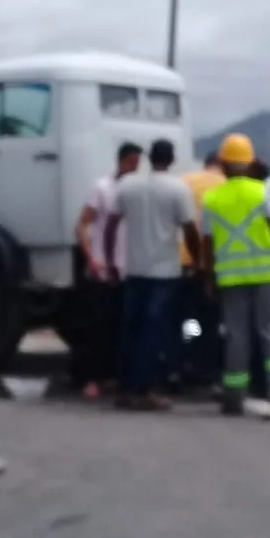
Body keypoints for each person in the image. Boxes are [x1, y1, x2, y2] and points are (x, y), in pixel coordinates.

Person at [202, 133, 270, 418]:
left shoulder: (212, 198)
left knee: (237, 336)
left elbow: (207, 244)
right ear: (250, 162)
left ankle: (234, 396)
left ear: (224, 164)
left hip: (231, 278)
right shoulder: (261, 192)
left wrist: (208, 277)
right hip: (265, 275)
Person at [104, 139, 201, 411]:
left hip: (134, 269)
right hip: (164, 272)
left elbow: (111, 225)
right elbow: (190, 230)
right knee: (154, 332)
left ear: (149, 158)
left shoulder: (129, 186)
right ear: (171, 159)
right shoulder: (177, 189)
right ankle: (144, 390)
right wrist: (197, 260)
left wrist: (112, 260)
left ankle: (124, 388)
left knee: (130, 329)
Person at [73, 141, 142, 399]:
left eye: (137, 165)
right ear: (121, 161)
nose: (134, 169)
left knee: (121, 326)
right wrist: (90, 256)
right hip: (103, 266)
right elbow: (82, 225)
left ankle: (114, 377)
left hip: (128, 268)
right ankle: (91, 379)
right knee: (97, 327)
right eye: (131, 163)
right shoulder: (102, 188)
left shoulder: (136, 191)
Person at [173, 152, 228, 388]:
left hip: (178, 261)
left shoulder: (183, 181)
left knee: (180, 319)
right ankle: (205, 369)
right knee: (209, 320)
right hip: (211, 264)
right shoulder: (226, 186)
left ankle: (178, 366)